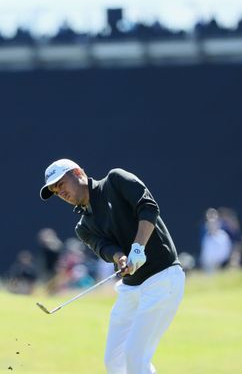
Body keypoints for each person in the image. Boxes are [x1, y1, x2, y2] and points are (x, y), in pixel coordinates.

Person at [40, 158, 184, 374]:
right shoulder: (83, 227)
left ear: (78, 172)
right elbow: (104, 248)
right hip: (131, 288)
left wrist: (138, 248)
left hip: (162, 279)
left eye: (61, 184)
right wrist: (121, 258)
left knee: (135, 356)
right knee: (114, 361)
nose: (60, 192)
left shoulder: (115, 181)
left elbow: (148, 207)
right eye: (55, 190)